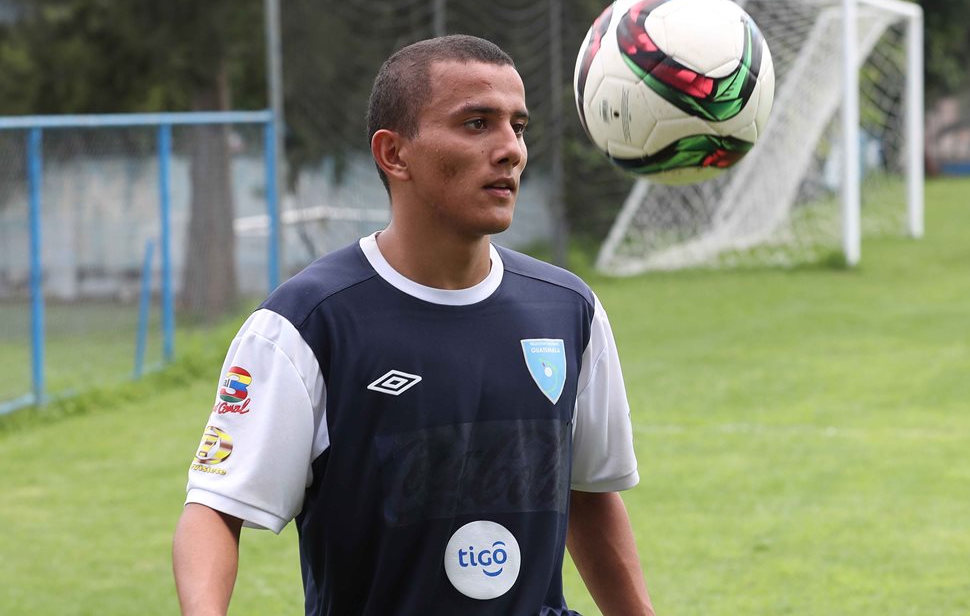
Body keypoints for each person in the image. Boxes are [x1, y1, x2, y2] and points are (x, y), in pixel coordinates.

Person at [172, 35, 654, 616]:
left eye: (518, 126)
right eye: (477, 124)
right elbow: (216, 510)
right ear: (394, 154)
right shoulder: (307, 323)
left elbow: (586, 491)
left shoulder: (567, 308)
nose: (510, 150)